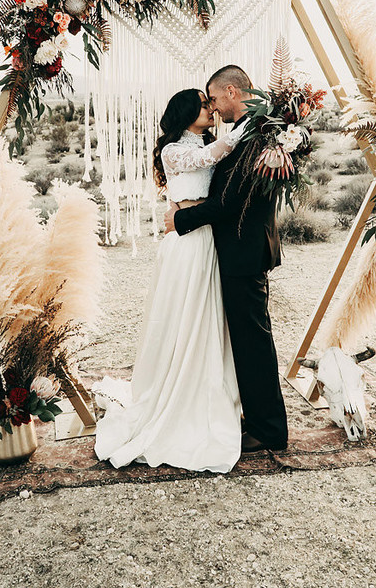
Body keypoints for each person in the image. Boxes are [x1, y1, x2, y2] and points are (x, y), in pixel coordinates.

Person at [93, 88, 246, 472]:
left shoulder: (213, 140)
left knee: (209, 317)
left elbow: (218, 161)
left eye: (211, 101)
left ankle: (206, 389)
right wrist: (251, 124)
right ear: (184, 112)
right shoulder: (174, 150)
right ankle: (175, 395)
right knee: (182, 318)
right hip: (184, 244)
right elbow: (207, 158)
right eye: (202, 103)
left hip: (207, 237)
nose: (211, 107)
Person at [164, 65, 288, 452]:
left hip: (243, 250)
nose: (213, 109)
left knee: (252, 343)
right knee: (244, 339)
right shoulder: (252, 131)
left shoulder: (255, 133)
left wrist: (181, 218)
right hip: (239, 249)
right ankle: (252, 416)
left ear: (232, 92)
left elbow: (230, 201)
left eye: (214, 99)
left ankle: (268, 430)